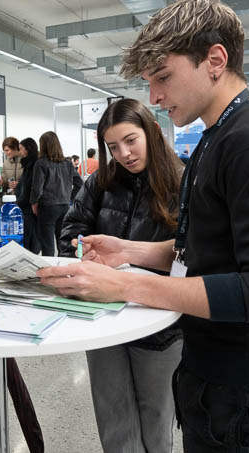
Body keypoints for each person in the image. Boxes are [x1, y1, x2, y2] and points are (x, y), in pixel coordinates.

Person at [38, 0, 249, 451]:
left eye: (164, 77)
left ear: (215, 60)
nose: (154, 96)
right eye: (149, 83)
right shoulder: (217, 138)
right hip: (213, 374)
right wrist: (129, 252)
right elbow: (206, 251)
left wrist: (127, 287)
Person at [59, 98, 184, 453]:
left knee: (157, 415)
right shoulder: (101, 181)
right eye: (113, 146)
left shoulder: (183, 181)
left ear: (152, 132)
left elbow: (193, 252)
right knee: (113, 415)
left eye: (131, 140)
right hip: (102, 315)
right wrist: (85, 252)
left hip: (159, 321)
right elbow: (71, 229)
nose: (124, 153)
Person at [31, 131, 77, 256]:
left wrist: (34, 203)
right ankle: (63, 270)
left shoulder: (41, 163)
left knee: (47, 244)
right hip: (65, 205)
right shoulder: (68, 163)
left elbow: (37, 188)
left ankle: (49, 271)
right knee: (62, 242)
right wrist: (70, 196)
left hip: (47, 206)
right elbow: (79, 184)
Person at [16, 138, 40, 254]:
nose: (20, 152)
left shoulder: (34, 164)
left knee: (30, 239)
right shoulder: (28, 164)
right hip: (26, 206)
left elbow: (30, 187)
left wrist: (18, 202)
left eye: (21, 149)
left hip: (29, 208)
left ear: (28, 149)